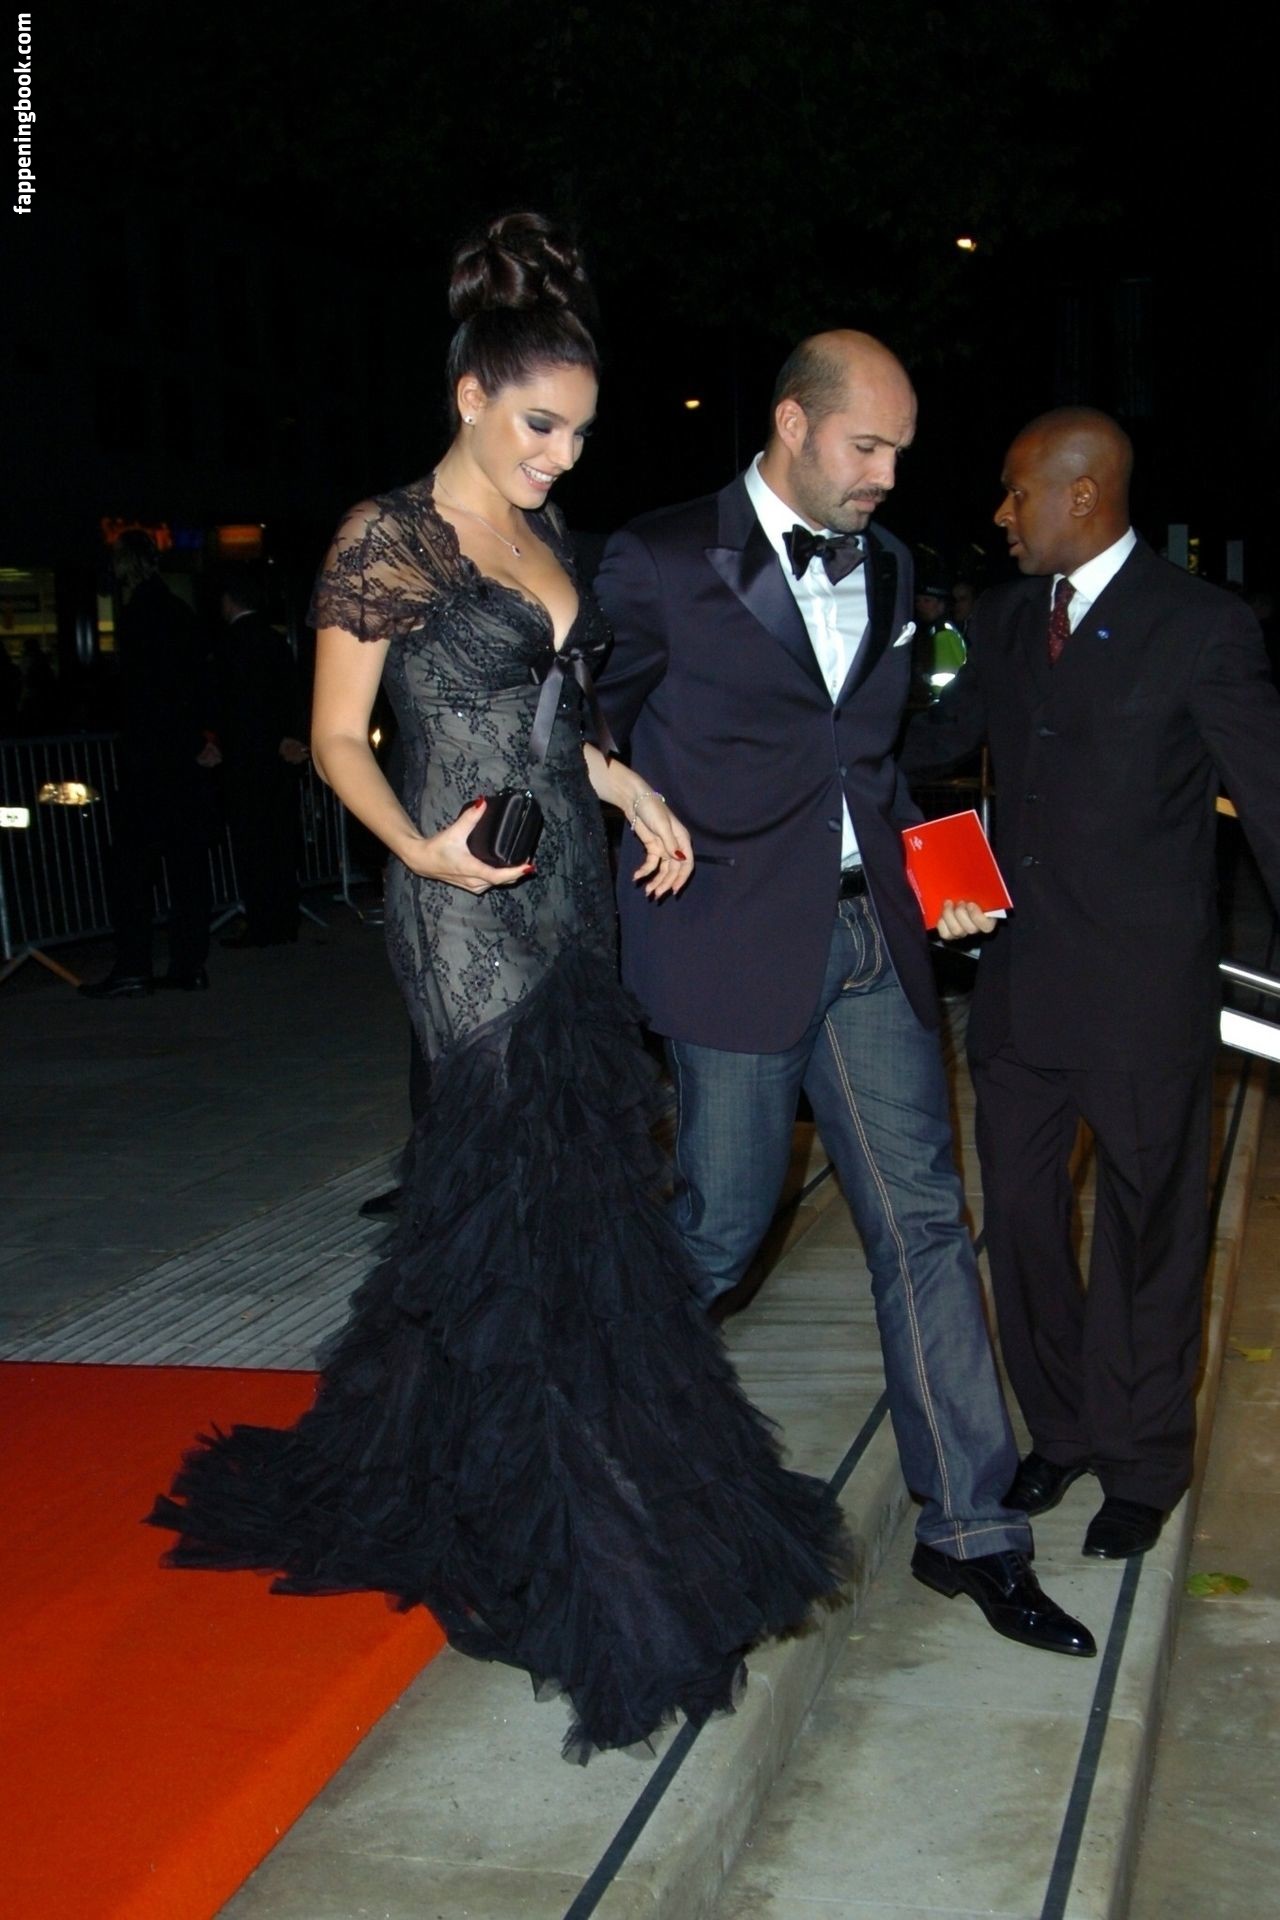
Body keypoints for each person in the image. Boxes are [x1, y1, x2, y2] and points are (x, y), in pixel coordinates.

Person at [149, 212, 851, 1762]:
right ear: (470, 396)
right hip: (462, 912)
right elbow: (340, 738)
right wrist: (419, 850)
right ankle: (577, 1548)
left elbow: (552, 719)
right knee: (526, 1217)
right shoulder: (386, 537)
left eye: (578, 435)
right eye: (539, 427)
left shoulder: (549, 542)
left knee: (564, 1207)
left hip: (573, 899)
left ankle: (443, 1462)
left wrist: (626, 785)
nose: (558, 458)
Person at [594, 331, 1094, 1660]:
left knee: (924, 1225)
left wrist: (947, 873)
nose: (884, 475)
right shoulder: (658, 557)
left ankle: (972, 1532)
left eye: (898, 452)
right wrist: (617, 797)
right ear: (792, 425)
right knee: (719, 1233)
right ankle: (588, 1455)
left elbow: (869, 763)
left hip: (876, 936)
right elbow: (573, 721)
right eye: (865, 447)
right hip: (727, 943)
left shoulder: (890, 564)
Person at [901, 407, 1280, 1558]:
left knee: (1146, 1235)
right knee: (1019, 1221)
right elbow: (927, 752)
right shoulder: (1006, 618)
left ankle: (1141, 1460)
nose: (999, 515)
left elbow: (1268, 799)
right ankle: (1061, 1428)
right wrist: (934, 864)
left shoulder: (1199, 626)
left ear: (1082, 494)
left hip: (1141, 996)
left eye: (1016, 492)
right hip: (1019, 992)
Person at [80, 531, 220, 997]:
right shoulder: (180, 611)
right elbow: (199, 684)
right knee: (187, 867)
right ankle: (188, 963)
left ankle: (134, 965)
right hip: (185, 760)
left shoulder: (137, 617)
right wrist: (205, 738)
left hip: (151, 760)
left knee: (133, 869)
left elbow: (145, 696)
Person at [214, 564, 308, 949]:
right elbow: (293, 695)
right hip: (279, 761)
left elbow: (234, 708)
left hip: (247, 761)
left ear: (228, 602)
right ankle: (285, 919)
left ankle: (262, 923)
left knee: (253, 847)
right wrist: (292, 738)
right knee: (281, 842)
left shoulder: (231, 645)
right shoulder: (276, 641)